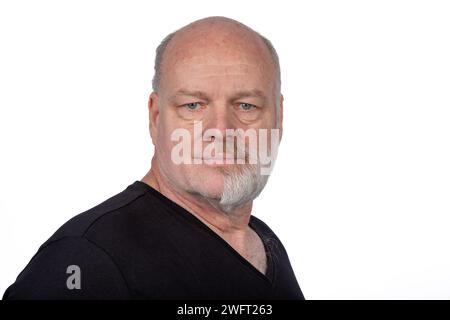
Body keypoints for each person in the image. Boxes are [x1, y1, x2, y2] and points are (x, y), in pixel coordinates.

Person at [3, 16, 304, 300]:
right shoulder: (87, 258)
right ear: (155, 116)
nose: (221, 130)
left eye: (247, 106)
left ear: (279, 117)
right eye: (193, 105)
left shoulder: (264, 242)